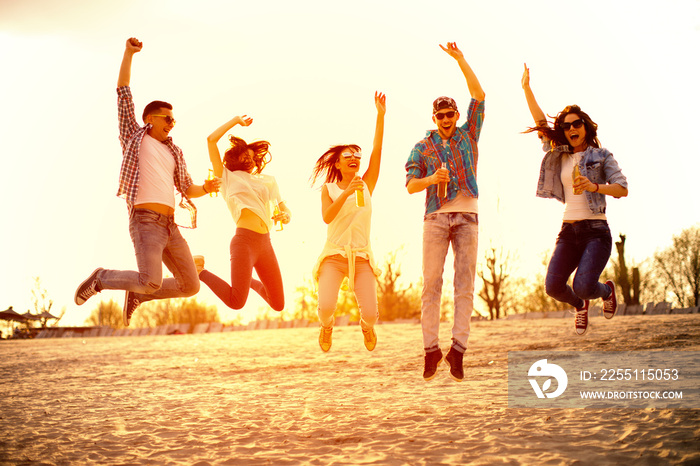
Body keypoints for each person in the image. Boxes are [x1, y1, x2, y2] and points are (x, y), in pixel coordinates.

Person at [74, 38, 220, 326]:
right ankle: (101, 278)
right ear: (150, 119)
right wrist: (129, 53)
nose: (172, 124)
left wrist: (207, 188)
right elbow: (123, 93)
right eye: (168, 118)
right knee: (150, 279)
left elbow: (187, 188)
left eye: (174, 120)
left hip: (170, 225)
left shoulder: (174, 151)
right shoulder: (134, 137)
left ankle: (139, 295)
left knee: (190, 286)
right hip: (145, 222)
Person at [521, 63, 628, 336]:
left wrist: (594, 185)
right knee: (553, 287)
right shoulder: (561, 153)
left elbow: (621, 188)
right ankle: (580, 305)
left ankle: (606, 291)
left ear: (585, 126)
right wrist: (526, 88)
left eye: (576, 123)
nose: (571, 128)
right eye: (567, 126)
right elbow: (541, 126)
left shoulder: (602, 155)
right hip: (568, 231)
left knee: (583, 284)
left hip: (596, 232)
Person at [405, 42, 485, 382]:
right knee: (431, 284)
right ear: (434, 119)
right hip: (435, 219)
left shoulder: (469, 134)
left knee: (464, 283)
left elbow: (479, 96)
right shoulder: (422, 147)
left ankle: (458, 350)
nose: (447, 119)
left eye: (451, 113)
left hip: (467, 216)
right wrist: (430, 178)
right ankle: (430, 350)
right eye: (441, 116)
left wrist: (460, 59)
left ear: (456, 115)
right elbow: (410, 185)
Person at [310, 92, 386, 353]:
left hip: (362, 256)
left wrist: (380, 115)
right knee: (327, 308)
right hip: (334, 255)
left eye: (357, 156)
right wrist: (346, 192)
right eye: (347, 156)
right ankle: (327, 327)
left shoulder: (367, 183)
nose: (354, 159)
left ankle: (366, 327)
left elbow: (377, 150)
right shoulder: (329, 189)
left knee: (373, 314)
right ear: (339, 163)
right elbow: (327, 217)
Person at [196, 115, 290, 312]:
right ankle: (200, 271)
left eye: (251, 156)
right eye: (244, 156)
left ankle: (248, 281)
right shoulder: (226, 177)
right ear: (235, 158)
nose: (250, 159)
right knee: (236, 302)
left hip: (265, 243)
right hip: (244, 242)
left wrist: (285, 216)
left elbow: (283, 208)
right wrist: (236, 120)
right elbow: (211, 140)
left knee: (278, 304)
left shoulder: (268, 180)